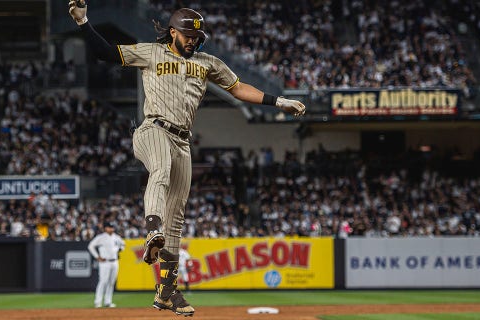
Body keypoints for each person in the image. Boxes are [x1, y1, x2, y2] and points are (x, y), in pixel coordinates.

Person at [69, 1, 306, 316]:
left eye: (197, 36)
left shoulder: (208, 62)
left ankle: (167, 291)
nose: (193, 39)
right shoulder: (152, 52)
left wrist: (278, 101)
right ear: (172, 32)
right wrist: (83, 21)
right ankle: (152, 229)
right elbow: (105, 51)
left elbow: (238, 89)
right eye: (187, 34)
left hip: (183, 140)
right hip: (152, 129)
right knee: (161, 171)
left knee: (177, 218)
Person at [87, 221, 125, 308]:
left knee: (111, 283)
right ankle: (98, 302)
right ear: (105, 228)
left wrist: (120, 249)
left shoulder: (116, 237)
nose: (112, 229)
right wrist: (97, 257)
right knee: (103, 281)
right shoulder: (101, 237)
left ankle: (108, 301)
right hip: (104, 262)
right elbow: (90, 246)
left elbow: (123, 244)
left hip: (114, 262)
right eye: (109, 227)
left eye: (112, 227)